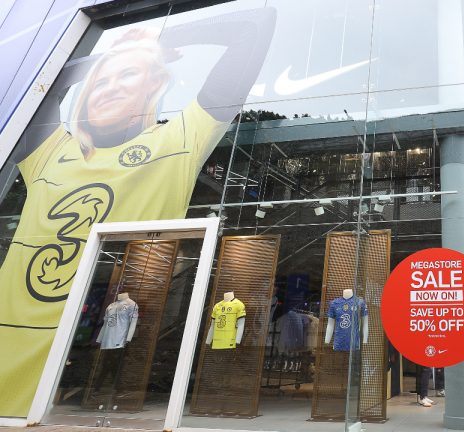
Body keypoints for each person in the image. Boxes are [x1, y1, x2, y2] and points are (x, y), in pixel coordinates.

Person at [0, 9, 277, 415]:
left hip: (72, 366)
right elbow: (41, 82)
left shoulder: (179, 140)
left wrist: (164, 39)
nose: (107, 88)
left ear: (154, 84)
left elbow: (257, 23)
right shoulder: (47, 153)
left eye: (126, 76)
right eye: (100, 82)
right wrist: (109, 57)